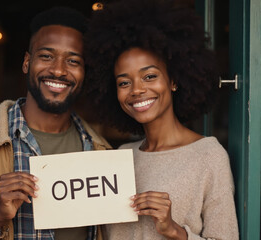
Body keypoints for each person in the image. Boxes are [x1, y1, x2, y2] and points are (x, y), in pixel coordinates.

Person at [0, 7, 111, 240]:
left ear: (84, 72)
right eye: (46, 56)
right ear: (27, 63)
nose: (58, 70)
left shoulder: (102, 153)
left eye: (73, 60)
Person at [84, 0, 239, 239]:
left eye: (149, 76)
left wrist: (175, 231)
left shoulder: (209, 155)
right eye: (124, 82)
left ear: (174, 80)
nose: (136, 89)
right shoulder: (121, 157)